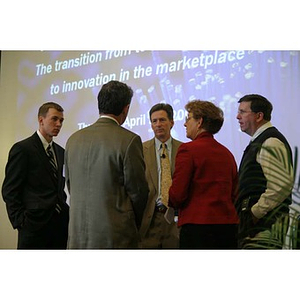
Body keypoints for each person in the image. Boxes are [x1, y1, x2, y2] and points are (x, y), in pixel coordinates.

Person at [65, 80, 149, 249]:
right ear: (126, 109)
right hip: (116, 237)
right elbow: (139, 193)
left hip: (77, 237)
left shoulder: (73, 139)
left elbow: (70, 185)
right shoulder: (129, 140)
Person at [168, 100, 239, 249]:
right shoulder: (227, 153)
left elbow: (178, 194)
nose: (185, 124)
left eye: (188, 118)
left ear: (199, 122)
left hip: (197, 228)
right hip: (228, 228)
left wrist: (170, 201)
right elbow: (234, 193)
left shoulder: (188, 150)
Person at [2, 102, 69, 249]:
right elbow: (9, 190)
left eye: (61, 120)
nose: (58, 124)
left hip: (60, 227)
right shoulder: (22, 149)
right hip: (33, 228)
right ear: (41, 120)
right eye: (54, 119)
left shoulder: (60, 151)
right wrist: (21, 222)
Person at [236, 94, 294, 249]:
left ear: (259, 116)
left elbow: (280, 186)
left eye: (242, 112)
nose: (237, 116)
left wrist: (254, 213)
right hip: (259, 228)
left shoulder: (270, 142)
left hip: (264, 228)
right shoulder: (261, 140)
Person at [139, 103, 182, 248]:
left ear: (172, 122)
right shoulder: (140, 149)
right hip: (150, 219)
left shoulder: (184, 149)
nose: (158, 124)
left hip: (176, 218)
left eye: (162, 120)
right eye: (154, 121)